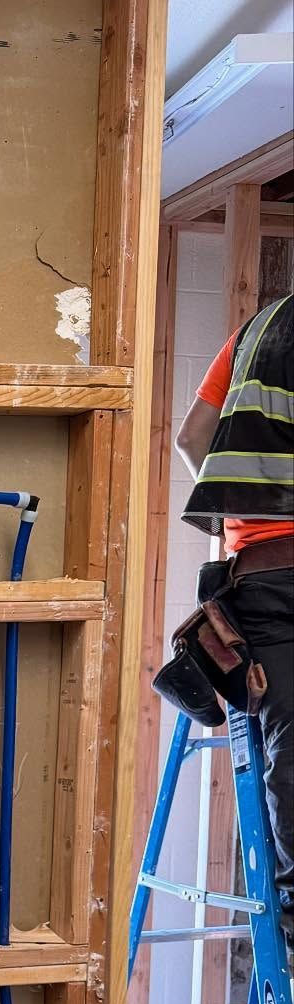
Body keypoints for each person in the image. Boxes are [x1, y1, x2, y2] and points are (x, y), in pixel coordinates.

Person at [174, 293, 293, 958]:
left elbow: (192, 436)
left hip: (258, 576)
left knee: (289, 749)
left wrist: (235, 528)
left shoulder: (259, 327)